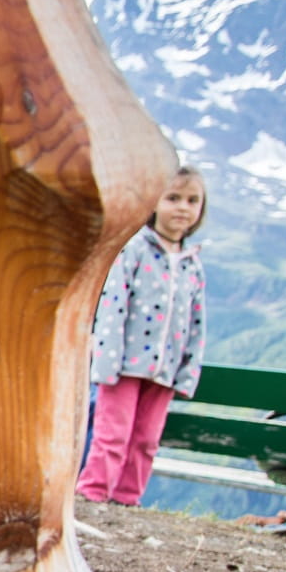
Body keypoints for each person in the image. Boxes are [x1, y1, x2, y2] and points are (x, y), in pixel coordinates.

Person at [76, 166, 208, 506]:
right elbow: (113, 306)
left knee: (147, 439)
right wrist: (104, 363)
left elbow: (196, 324)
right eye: (173, 198)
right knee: (112, 434)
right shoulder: (133, 250)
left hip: (164, 370)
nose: (182, 208)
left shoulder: (192, 264)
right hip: (122, 366)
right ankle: (93, 492)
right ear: (153, 203)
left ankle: (127, 498)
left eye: (192, 200)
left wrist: (188, 372)